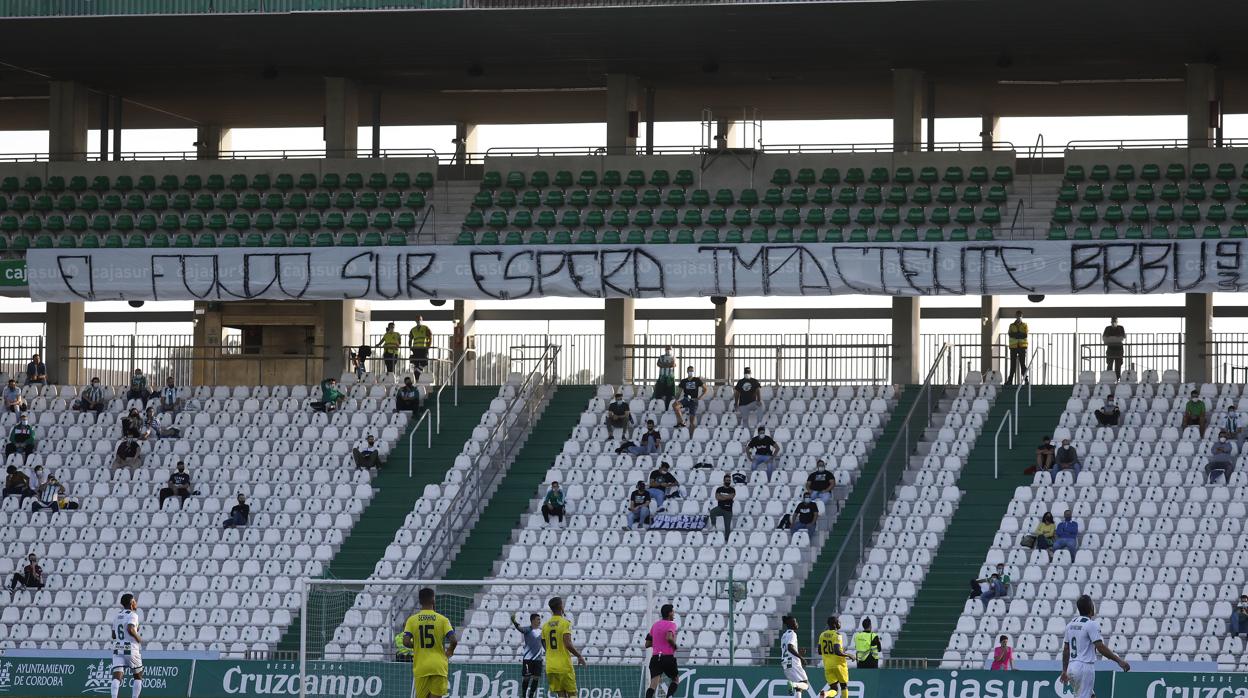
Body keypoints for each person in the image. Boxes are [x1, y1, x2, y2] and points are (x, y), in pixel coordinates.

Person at [1060, 594, 1130, 698]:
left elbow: (1066, 649)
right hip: (1084, 668)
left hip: (1072, 667)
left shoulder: (1070, 624)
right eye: (1092, 604)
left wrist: (1064, 670)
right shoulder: (1091, 624)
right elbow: (1100, 647)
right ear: (1090, 608)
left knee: (1091, 696)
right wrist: (1119, 660)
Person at [403, 587, 457, 698]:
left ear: (420, 601)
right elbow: (454, 640)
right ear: (433, 600)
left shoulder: (412, 620)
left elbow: (406, 642)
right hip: (438, 666)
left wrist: (417, 645)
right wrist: (450, 650)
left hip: (421, 666)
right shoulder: (443, 620)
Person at [541, 596, 585, 698]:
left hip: (551, 666)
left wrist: (552, 652)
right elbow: (568, 644)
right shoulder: (565, 623)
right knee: (572, 694)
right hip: (564, 665)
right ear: (561, 606)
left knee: (561, 694)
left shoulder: (545, 626)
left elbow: (544, 643)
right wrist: (579, 656)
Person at [110, 592, 145, 698]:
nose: (136, 603)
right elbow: (130, 628)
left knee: (117, 676)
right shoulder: (133, 615)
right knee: (138, 676)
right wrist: (138, 637)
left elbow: (113, 635)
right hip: (131, 648)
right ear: (131, 603)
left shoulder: (117, 616)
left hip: (118, 648)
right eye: (134, 601)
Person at [644, 604, 680, 698]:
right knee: (675, 679)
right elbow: (668, 637)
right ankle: (669, 696)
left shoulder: (655, 625)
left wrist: (657, 642)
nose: (674, 613)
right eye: (672, 611)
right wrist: (674, 645)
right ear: (669, 613)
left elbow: (647, 644)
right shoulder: (672, 624)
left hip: (656, 658)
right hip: (667, 657)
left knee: (653, 684)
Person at [779, 616, 815, 698]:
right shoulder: (792, 634)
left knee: (799, 688)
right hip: (793, 662)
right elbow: (790, 647)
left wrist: (799, 653)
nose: (797, 624)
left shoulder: (784, 635)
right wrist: (801, 658)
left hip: (785, 662)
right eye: (795, 622)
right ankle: (793, 684)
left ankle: (794, 685)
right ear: (790, 624)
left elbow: (787, 650)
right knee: (805, 684)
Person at [511, 612, 544, 698]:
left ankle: (531, 695)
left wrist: (547, 650)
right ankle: (524, 695)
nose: (539, 621)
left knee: (536, 678)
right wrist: (514, 622)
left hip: (538, 659)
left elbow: (543, 642)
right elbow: (520, 629)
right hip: (528, 659)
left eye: (540, 619)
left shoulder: (541, 631)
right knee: (526, 678)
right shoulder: (528, 629)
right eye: (538, 619)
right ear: (533, 620)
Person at [817, 616, 851, 698]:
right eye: (839, 622)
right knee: (844, 686)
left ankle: (826, 694)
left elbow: (819, 651)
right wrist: (849, 655)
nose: (840, 623)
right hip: (839, 665)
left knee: (834, 689)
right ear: (835, 624)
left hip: (827, 666)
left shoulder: (822, 635)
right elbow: (837, 651)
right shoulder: (837, 635)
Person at [674, 367, 706, 435]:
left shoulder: (697, 380)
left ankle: (691, 436)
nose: (690, 372)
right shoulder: (683, 381)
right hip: (686, 399)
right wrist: (676, 400)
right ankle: (681, 422)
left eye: (692, 371)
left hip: (693, 401)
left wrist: (700, 397)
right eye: (689, 371)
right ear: (687, 371)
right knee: (675, 405)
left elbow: (705, 389)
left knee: (692, 422)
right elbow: (679, 392)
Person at [1005, 311, 1029, 385]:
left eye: (1020, 316)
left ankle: (1026, 380)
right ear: (1015, 316)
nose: (1019, 317)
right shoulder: (1011, 325)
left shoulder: (1025, 325)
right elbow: (1010, 334)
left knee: (1022, 364)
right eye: (1018, 316)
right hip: (1013, 347)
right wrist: (1019, 334)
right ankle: (1010, 380)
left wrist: (1015, 334)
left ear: (1022, 316)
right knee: (1013, 365)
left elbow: (1025, 335)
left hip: (1022, 347)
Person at [409, 316, 433, 381]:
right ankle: (416, 377)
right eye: (417, 320)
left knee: (424, 362)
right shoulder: (413, 329)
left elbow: (430, 337)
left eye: (420, 320)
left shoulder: (425, 328)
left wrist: (428, 346)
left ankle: (416, 374)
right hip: (416, 349)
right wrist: (410, 347)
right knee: (416, 363)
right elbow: (410, 339)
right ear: (415, 321)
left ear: (422, 320)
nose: (418, 321)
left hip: (423, 348)